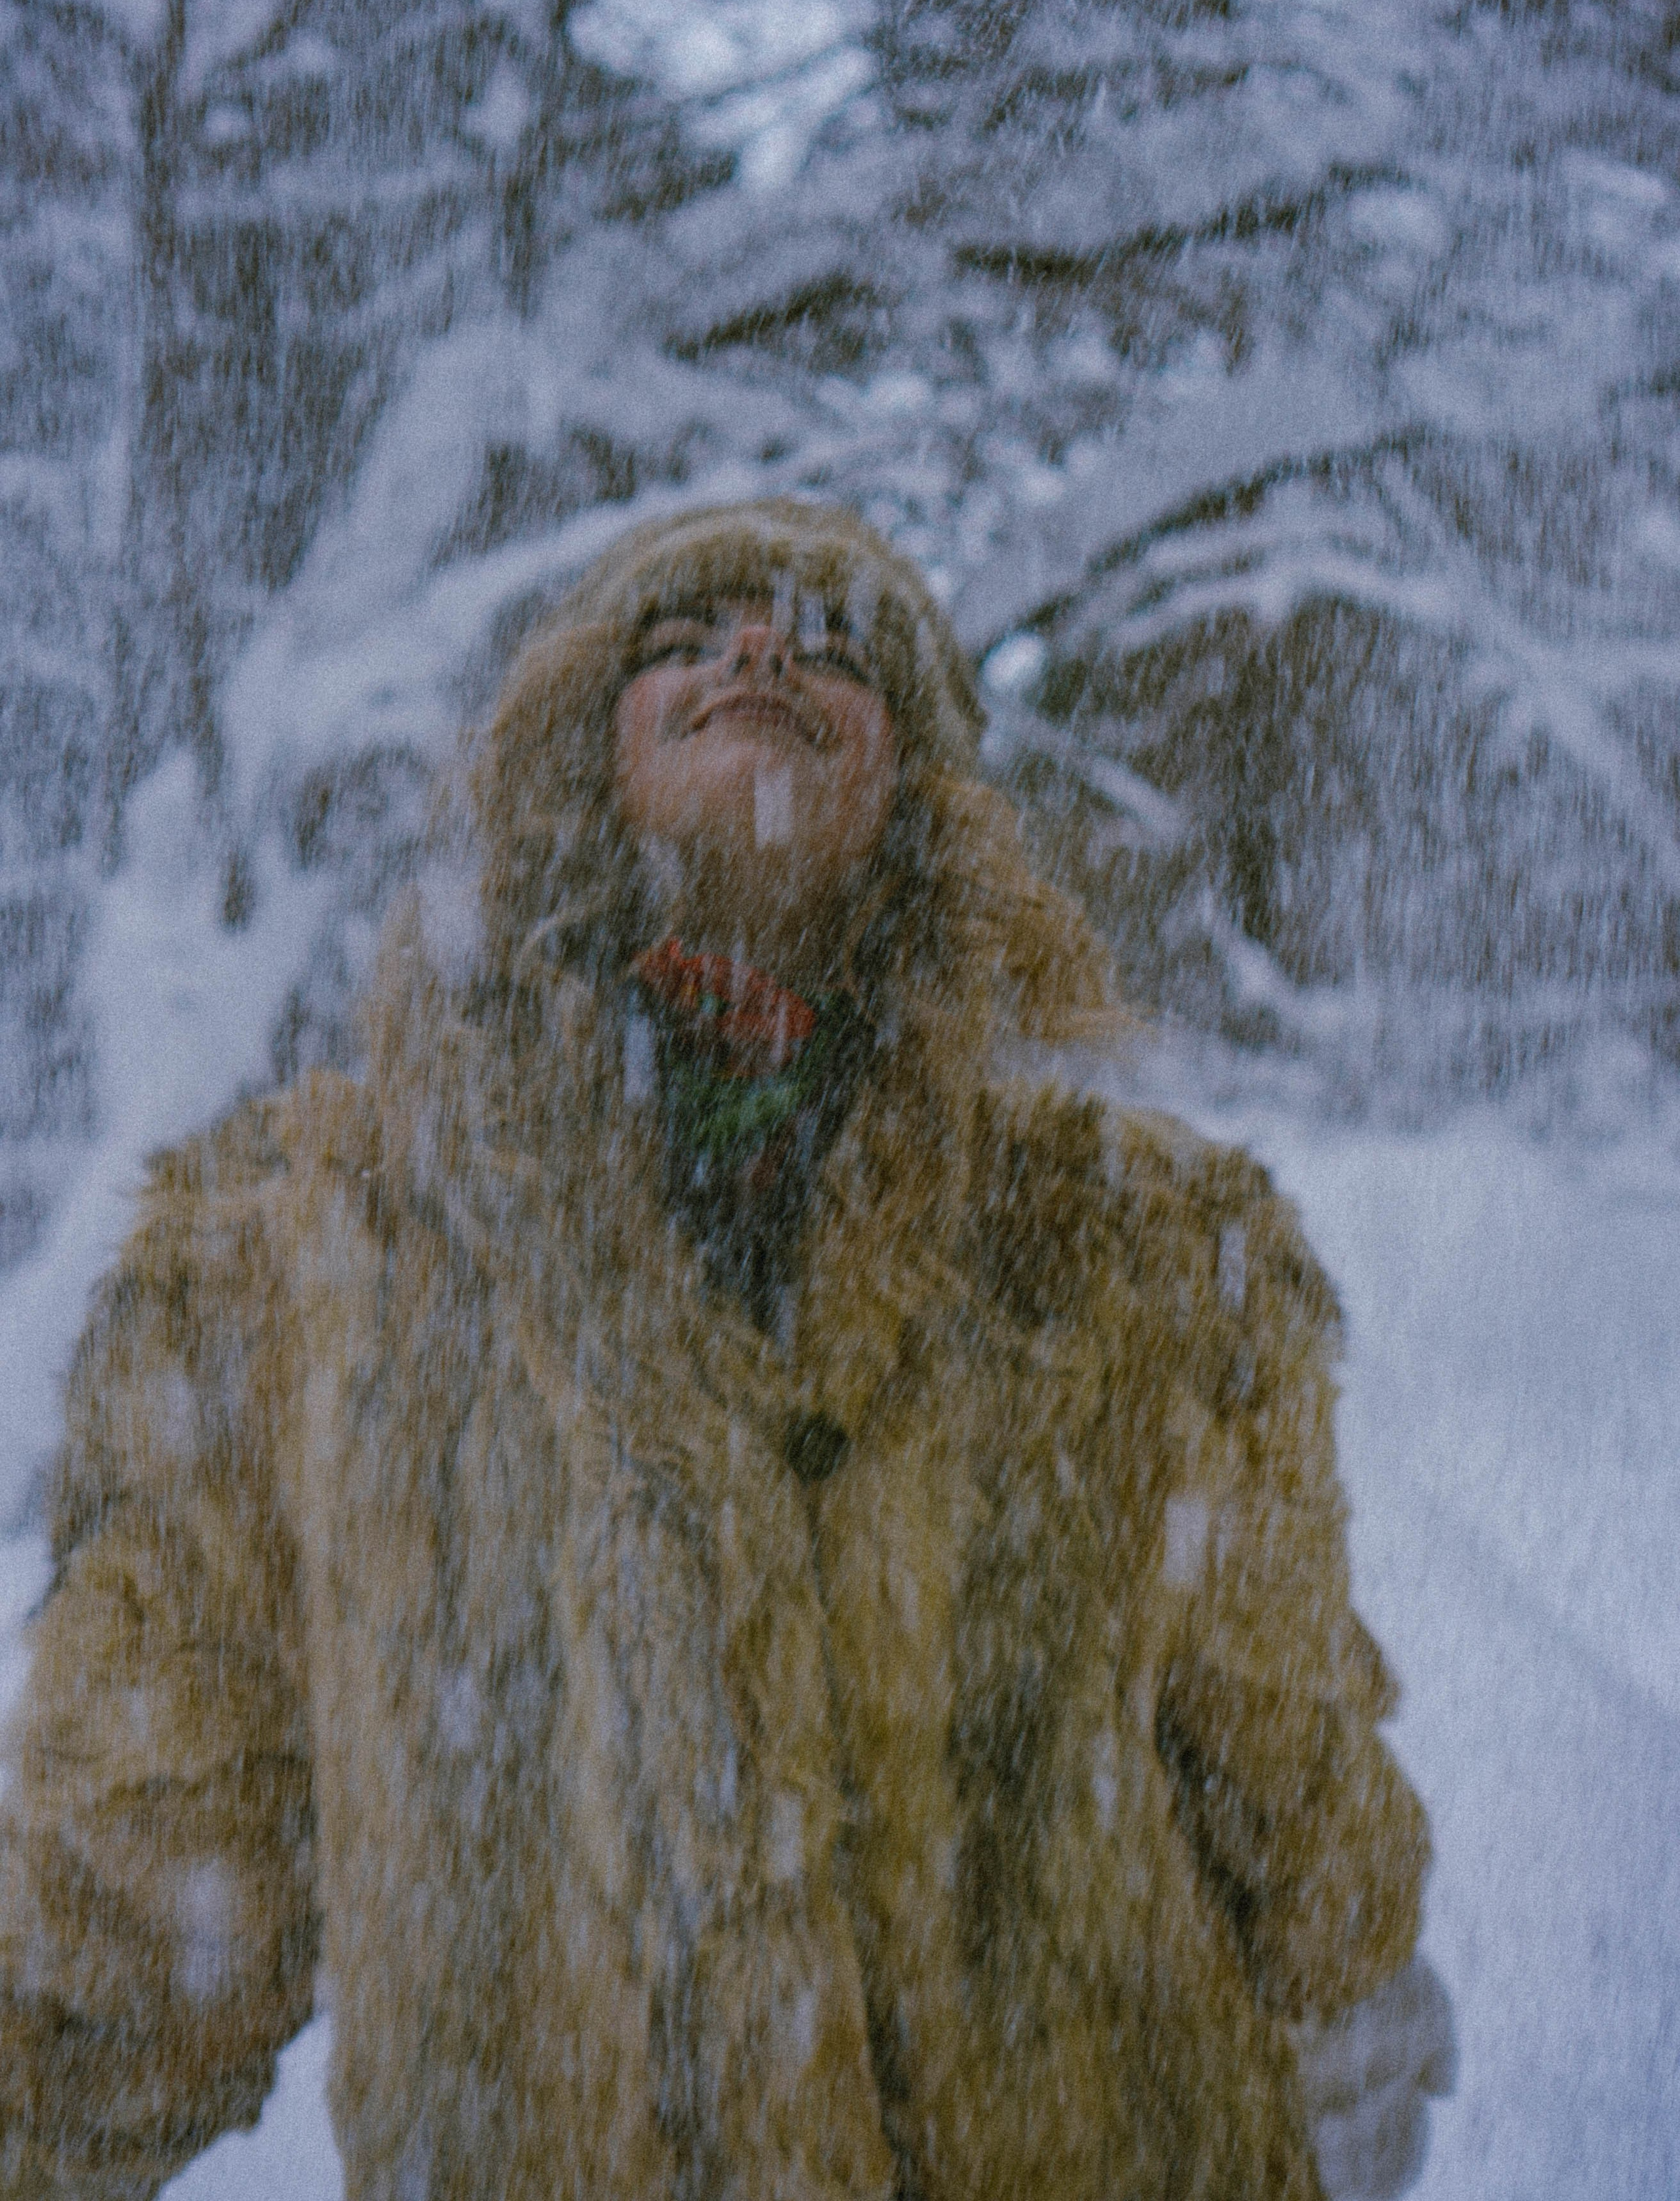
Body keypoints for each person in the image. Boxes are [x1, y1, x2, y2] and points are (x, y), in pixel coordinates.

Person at [0, 499, 1452, 2201]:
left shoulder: (1129, 1252)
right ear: (572, 752)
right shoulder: (289, 1265)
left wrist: (1352, 2000)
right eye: (685, 641)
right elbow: (130, 1888)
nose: (760, 650)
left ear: (916, 796)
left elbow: (1286, 1746)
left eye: (830, 645)